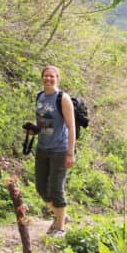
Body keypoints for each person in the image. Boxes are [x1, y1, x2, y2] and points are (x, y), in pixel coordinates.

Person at [31, 66, 75, 235]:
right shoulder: (40, 96)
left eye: (52, 76)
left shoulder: (62, 98)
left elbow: (71, 127)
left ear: (57, 78)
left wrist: (70, 153)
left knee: (56, 189)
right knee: (41, 188)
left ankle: (60, 228)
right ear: (42, 78)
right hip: (42, 148)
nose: (48, 79)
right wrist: (34, 130)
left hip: (59, 149)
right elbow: (44, 123)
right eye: (46, 76)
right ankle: (61, 216)